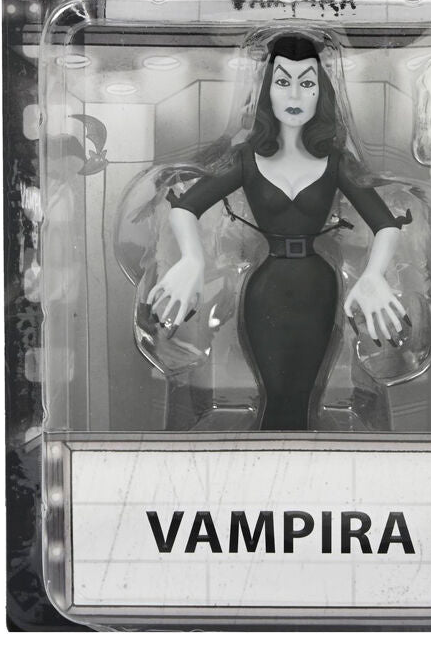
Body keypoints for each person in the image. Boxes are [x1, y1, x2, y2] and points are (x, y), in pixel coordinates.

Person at [147, 34, 410, 430]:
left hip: (319, 289)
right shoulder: (246, 160)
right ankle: (267, 455)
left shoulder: (334, 161)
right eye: (283, 81)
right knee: (273, 392)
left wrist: (373, 275)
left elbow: (386, 224)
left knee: (305, 393)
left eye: (307, 82)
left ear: (321, 93)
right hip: (265, 290)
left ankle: (303, 452)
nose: (295, 94)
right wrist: (192, 260)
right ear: (266, 90)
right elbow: (185, 208)